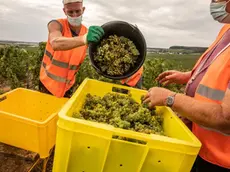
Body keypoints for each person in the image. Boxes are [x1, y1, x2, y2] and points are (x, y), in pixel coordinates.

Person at [142, 0, 230, 171]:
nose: (214, 3)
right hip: (200, 144)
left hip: (219, 160)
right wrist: (190, 76)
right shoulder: (226, 29)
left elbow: (226, 119)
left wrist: (171, 98)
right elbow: (220, 72)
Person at [39, 0, 143, 98]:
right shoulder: (56, 24)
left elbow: (103, 55)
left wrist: (128, 71)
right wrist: (84, 39)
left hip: (67, 88)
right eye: (70, 12)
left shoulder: (86, 32)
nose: (74, 15)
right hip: (47, 86)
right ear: (64, 11)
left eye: (78, 11)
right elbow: (55, 42)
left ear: (83, 10)